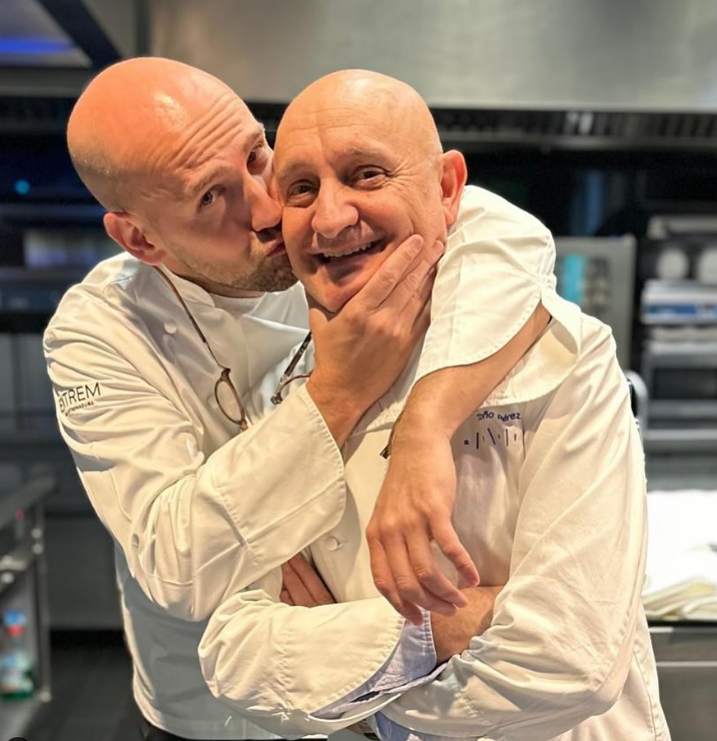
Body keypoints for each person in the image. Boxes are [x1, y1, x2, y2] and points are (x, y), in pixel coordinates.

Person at [44, 58, 552, 740]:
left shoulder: (330, 224)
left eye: (257, 155)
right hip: (208, 710)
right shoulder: (99, 332)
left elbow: (506, 239)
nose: (265, 206)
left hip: (372, 675)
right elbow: (175, 561)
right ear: (141, 238)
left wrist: (425, 426)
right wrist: (338, 390)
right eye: (210, 198)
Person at [198, 70, 671, 741]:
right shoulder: (276, 393)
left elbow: (570, 659)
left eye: (365, 174)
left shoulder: (564, 357)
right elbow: (232, 657)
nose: (330, 217)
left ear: (447, 189)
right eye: (301, 188)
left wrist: (352, 697)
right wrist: (453, 622)